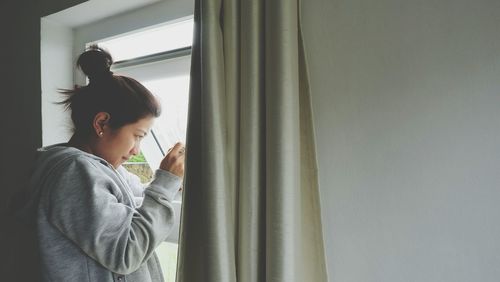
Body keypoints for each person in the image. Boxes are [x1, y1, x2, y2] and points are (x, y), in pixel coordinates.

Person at [23, 45, 185, 282]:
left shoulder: (104, 169)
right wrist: (164, 185)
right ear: (101, 123)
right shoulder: (73, 172)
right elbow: (125, 254)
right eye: (137, 136)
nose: (136, 151)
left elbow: (138, 199)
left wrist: (171, 183)